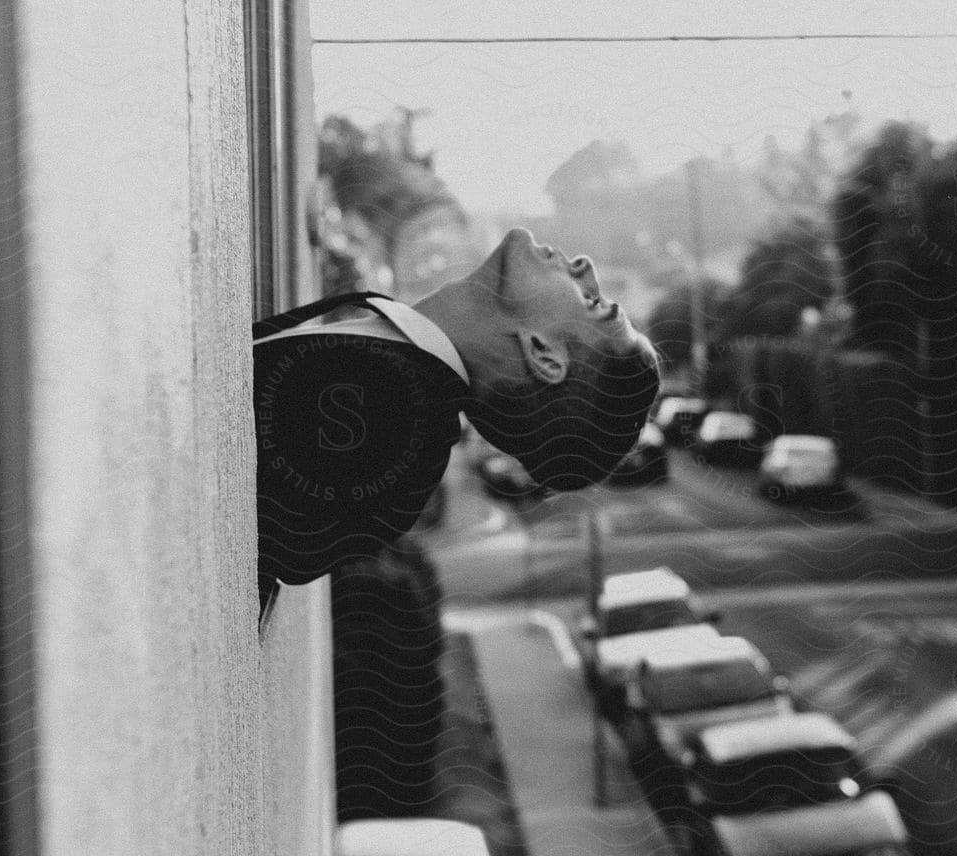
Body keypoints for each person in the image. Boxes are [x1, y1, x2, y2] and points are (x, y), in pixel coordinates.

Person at [254, 226, 660, 587]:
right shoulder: (397, 388)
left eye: (593, 302)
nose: (586, 267)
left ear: (545, 354)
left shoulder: (386, 418)